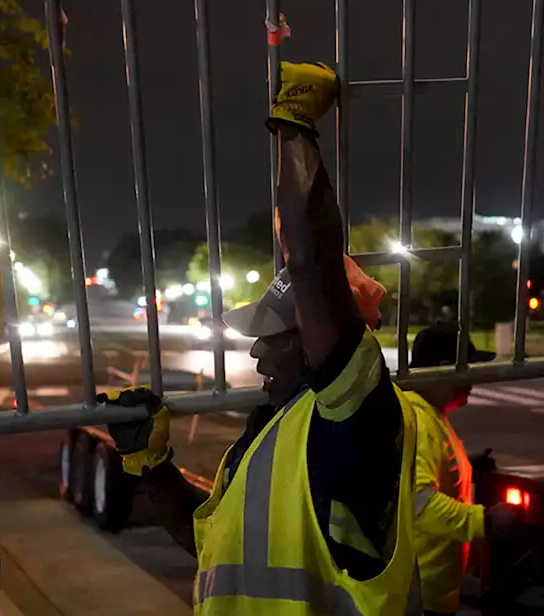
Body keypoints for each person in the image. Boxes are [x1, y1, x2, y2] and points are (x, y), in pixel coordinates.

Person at [101, 61, 428, 614]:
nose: (256, 350)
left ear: (318, 338)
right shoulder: (265, 437)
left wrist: (295, 126)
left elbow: (311, 260)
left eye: (273, 334)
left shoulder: (353, 418)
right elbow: (208, 546)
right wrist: (151, 466)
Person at [404, 322, 514, 616]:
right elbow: (419, 504)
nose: (472, 381)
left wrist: (465, 469)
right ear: (443, 369)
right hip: (419, 599)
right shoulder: (416, 419)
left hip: (430, 593)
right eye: (467, 370)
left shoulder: (429, 414)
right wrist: (484, 522)